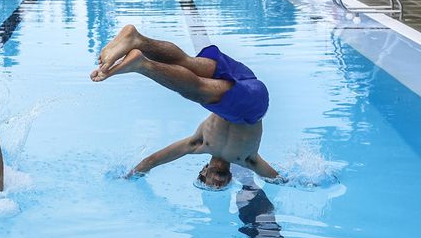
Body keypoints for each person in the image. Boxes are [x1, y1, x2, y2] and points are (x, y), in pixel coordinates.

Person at [90, 24, 281, 189]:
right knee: (197, 90)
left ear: (204, 171)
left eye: (209, 183)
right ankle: (142, 65)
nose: (217, 184)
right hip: (253, 104)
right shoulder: (248, 160)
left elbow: (153, 160)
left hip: (241, 79)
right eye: (220, 186)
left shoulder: (198, 144)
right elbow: (279, 180)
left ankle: (137, 39)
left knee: (187, 63)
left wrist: (130, 175)